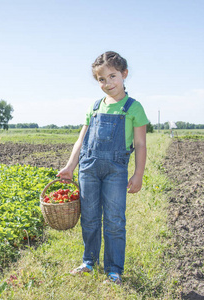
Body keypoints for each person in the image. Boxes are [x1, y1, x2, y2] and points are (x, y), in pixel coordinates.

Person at [57, 51, 149, 285]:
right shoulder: (95, 106)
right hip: (88, 168)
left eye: (112, 76)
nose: (107, 83)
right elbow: (81, 140)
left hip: (115, 171)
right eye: (101, 79)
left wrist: (138, 174)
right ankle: (89, 261)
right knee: (89, 218)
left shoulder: (133, 108)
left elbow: (140, 144)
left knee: (115, 220)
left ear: (124, 74)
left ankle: (114, 269)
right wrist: (69, 166)